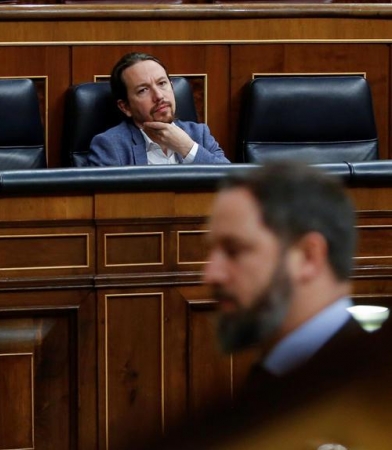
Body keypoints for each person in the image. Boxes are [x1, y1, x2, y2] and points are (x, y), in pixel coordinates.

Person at [153, 162, 392, 448]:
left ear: (307, 257)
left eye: (234, 250)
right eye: (212, 250)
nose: (211, 274)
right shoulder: (274, 382)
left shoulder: (371, 398)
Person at [88, 52, 230, 166]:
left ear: (172, 88)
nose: (159, 96)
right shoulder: (110, 146)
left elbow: (232, 187)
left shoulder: (199, 135)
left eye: (162, 83)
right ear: (125, 107)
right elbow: (106, 202)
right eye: (143, 90)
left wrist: (187, 148)